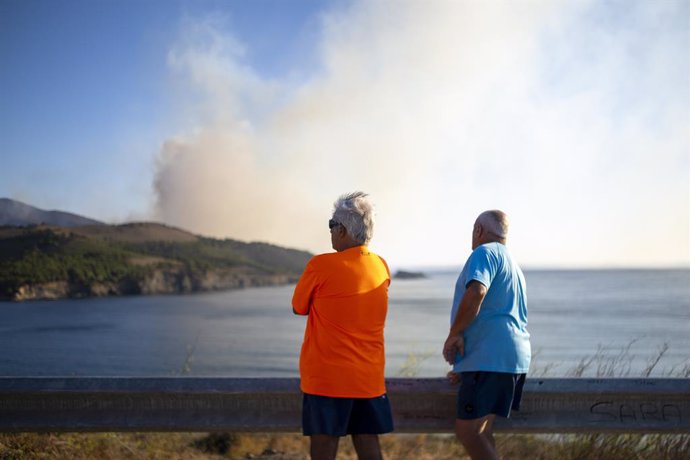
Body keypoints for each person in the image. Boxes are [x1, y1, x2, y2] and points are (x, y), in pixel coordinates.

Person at [292, 191, 393, 460]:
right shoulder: (381, 266)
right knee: (368, 444)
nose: (330, 232)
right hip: (368, 378)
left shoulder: (320, 265)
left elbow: (298, 307)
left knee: (324, 446)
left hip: (328, 379)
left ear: (343, 230)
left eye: (331, 225)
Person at [442, 210, 531, 460]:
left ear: (478, 230)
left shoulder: (484, 252)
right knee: (483, 430)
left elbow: (477, 293)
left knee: (468, 431)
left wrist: (454, 333)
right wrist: (466, 365)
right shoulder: (513, 265)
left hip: (490, 360)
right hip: (511, 359)